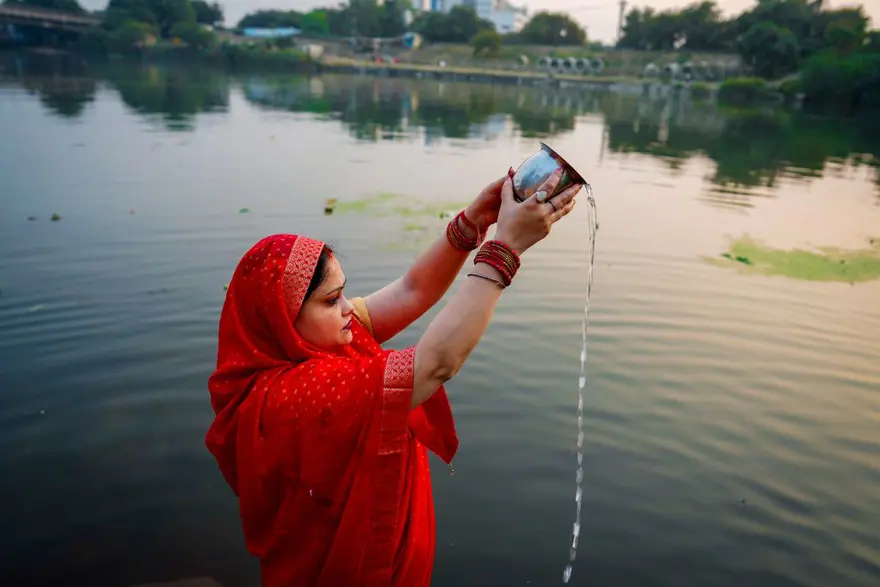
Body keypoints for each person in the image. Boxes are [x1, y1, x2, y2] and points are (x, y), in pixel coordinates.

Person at [205, 168, 581, 587]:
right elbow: (436, 363)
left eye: (344, 293)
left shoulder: (322, 342)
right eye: (332, 301)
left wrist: (474, 222)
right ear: (280, 321)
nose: (349, 309)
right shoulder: (294, 395)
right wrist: (506, 249)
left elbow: (412, 290)